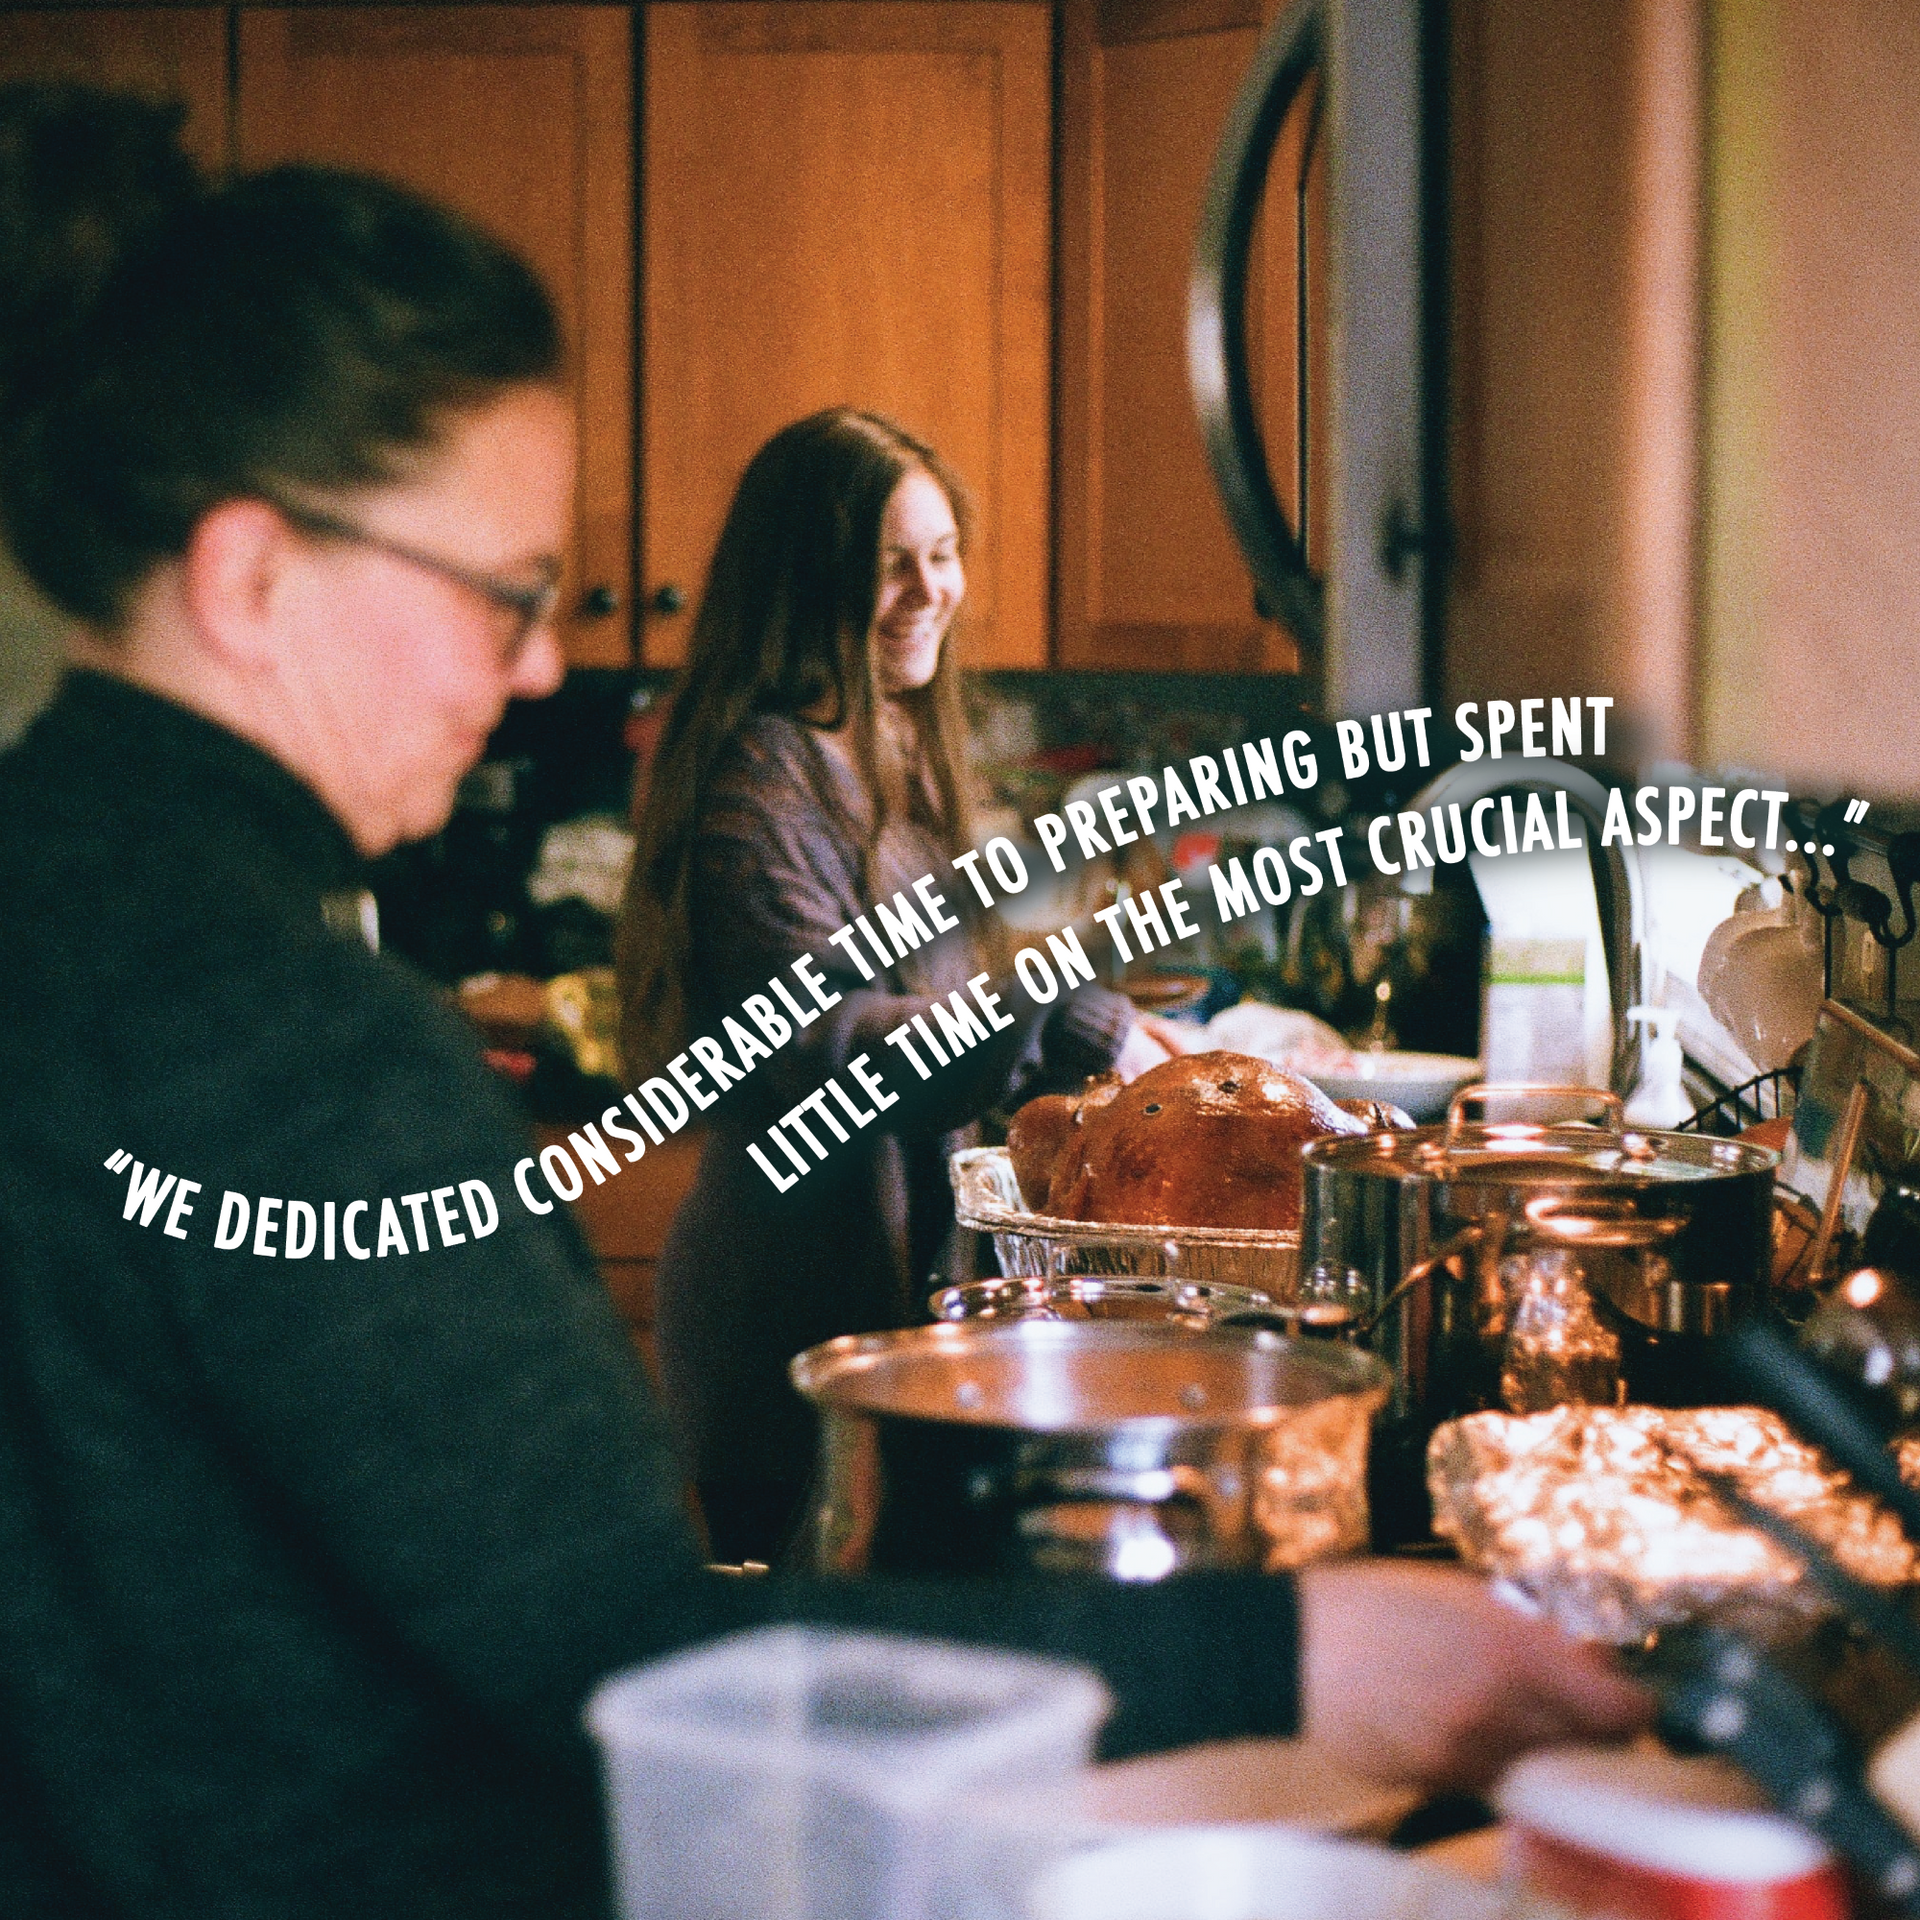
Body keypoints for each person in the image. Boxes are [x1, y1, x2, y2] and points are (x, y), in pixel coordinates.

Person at [0, 83, 1647, 1920]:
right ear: (251, 578)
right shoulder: (293, 1049)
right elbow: (641, 1673)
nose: (545, 662)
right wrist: (1304, 1658)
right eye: (506, 594)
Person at [615, 409, 1190, 1561]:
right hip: (783, 1330)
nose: (929, 591)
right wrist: (1070, 1020)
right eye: (889, 566)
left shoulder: (883, 747)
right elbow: (818, 1040)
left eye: (940, 555)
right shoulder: (767, 769)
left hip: (869, 1307)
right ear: (804, 581)